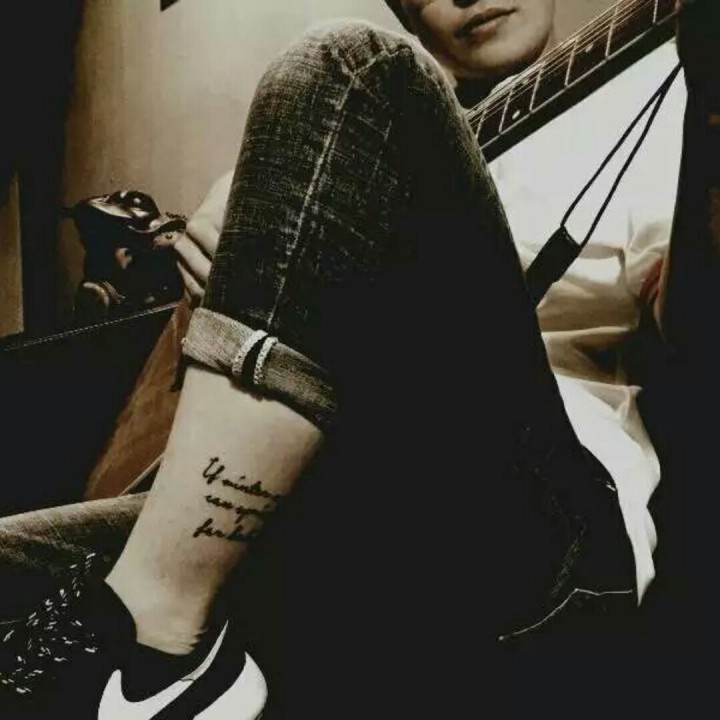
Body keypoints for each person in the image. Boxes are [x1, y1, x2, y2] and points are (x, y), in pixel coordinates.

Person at [0, 0, 718, 716]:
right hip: (317, 501)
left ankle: (161, 653)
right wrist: (238, 211)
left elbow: (690, 341)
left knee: (351, 65)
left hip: (532, 521)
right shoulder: (363, 121)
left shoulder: (666, 88)